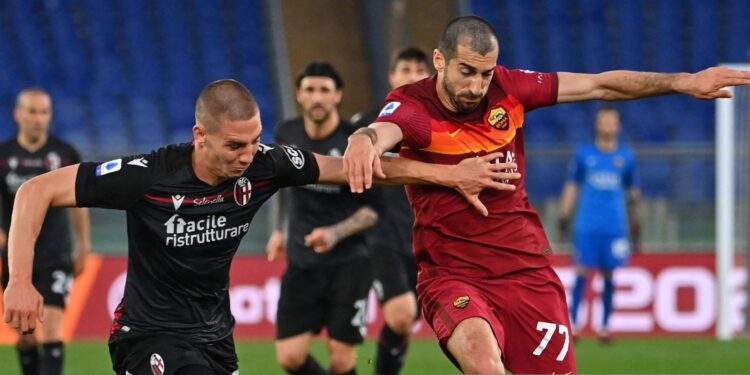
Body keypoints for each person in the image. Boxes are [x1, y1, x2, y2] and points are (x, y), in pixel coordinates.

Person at [3, 79, 518, 375]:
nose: (248, 156)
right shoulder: (148, 176)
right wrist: (20, 280)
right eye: (234, 146)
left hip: (214, 337)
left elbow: (358, 171)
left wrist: (448, 174)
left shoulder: (266, 163)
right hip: (147, 334)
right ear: (199, 135)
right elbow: (35, 191)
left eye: (254, 142)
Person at [343, 15, 750, 375]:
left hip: (526, 272)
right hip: (453, 274)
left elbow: (601, 86)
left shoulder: (510, 88)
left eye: (484, 74)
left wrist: (682, 81)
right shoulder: (414, 105)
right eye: (466, 71)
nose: (476, 86)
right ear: (439, 61)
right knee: (484, 366)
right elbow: (382, 134)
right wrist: (364, 140)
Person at [266, 62, 377, 375]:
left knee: (342, 361)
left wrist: (334, 233)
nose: (317, 97)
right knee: (290, 357)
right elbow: (281, 185)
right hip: (302, 263)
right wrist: (279, 230)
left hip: (349, 263)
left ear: (337, 96)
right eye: (310, 90)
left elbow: (372, 210)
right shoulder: (286, 133)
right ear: (300, 95)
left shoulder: (352, 143)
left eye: (325, 91)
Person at [350, 47, 431, 375]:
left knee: (406, 321)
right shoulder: (368, 124)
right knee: (400, 314)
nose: (411, 75)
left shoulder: (437, 128)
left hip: (425, 237)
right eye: (404, 69)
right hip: (381, 236)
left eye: (418, 70)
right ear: (392, 77)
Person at [0, 88, 91, 375]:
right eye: (32, 111)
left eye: (44, 112)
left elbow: (80, 203)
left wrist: (84, 245)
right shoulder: (3, 156)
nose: (39, 118)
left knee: (51, 329)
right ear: (18, 114)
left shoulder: (64, 154)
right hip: (16, 258)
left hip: (56, 253)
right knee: (26, 334)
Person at [558, 106, 641, 343]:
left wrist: (636, 222)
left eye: (611, 121)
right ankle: (574, 325)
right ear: (597, 124)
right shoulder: (584, 154)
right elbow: (572, 186)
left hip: (615, 226)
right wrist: (564, 216)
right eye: (603, 120)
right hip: (587, 225)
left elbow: (633, 192)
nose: (607, 125)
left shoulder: (626, 157)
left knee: (609, 275)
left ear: (618, 126)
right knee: (581, 272)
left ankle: (605, 327)